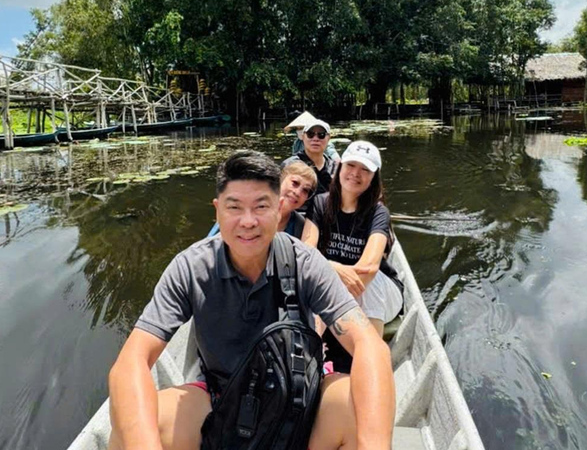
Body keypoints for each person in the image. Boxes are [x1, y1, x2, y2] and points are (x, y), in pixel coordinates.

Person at [108, 150, 395, 450]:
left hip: (300, 400)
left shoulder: (306, 262)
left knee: (358, 407)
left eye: (261, 207)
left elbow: (369, 345)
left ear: (278, 207)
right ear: (217, 210)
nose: (248, 222)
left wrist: (373, 444)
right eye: (234, 207)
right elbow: (131, 362)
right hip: (223, 400)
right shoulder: (190, 268)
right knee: (129, 427)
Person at [302, 141, 403, 373]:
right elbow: (306, 254)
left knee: (372, 278)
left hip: (380, 294)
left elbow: (367, 268)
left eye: (365, 169)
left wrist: (327, 273)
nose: (356, 173)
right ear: (339, 167)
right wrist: (335, 268)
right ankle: (312, 354)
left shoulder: (378, 213)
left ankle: (371, 359)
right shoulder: (320, 204)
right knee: (315, 280)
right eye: (351, 165)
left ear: (373, 177)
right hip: (334, 288)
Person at [207, 161, 317, 239]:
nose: (297, 192)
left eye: (305, 190)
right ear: (280, 181)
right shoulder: (241, 213)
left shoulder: (301, 227)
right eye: (295, 183)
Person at [282, 119, 338, 198]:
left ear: (328, 138)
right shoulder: (290, 165)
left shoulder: (335, 168)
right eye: (310, 134)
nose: (315, 139)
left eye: (321, 135)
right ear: (303, 136)